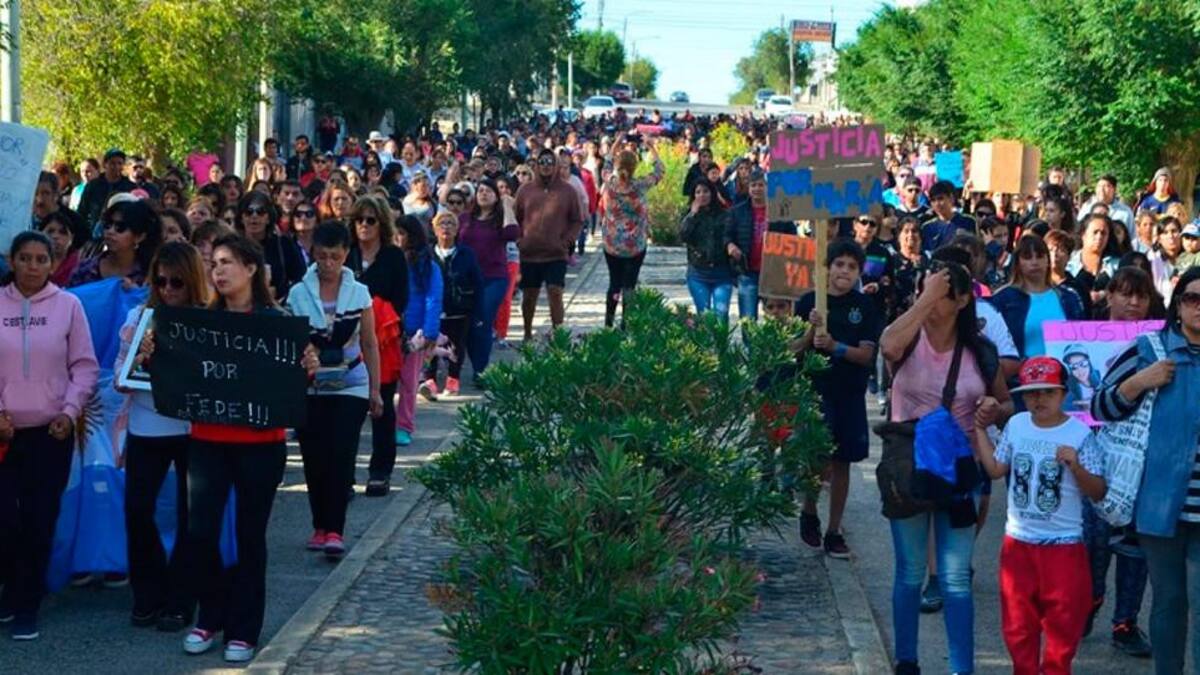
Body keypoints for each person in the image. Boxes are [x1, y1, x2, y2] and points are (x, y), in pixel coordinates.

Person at [136, 234, 319, 662]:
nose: (217, 271)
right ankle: (209, 617)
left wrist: (307, 367)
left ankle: (244, 628)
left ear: (252, 269)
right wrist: (151, 356)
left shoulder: (278, 321)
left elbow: (293, 387)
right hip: (206, 442)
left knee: (250, 537)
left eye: (227, 262)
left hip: (261, 445)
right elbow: (171, 374)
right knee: (200, 534)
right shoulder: (197, 324)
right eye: (213, 263)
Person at [879, 257, 1012, 675]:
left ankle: (961, 668)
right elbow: (887, 346)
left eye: (946, 287)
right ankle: (906, 663)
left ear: (963, 299)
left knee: (955, 579)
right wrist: (927, 297)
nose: (936, 292)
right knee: (910, 573)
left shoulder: (981, 351)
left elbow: (1008, 404)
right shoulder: (907, 336)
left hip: (961, 472)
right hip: (910, 470)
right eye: (928, 283)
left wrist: (995, 408)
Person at [1090, 265, 1200, 674]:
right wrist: (1138, 382)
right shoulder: (1150, 349)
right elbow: (1100, 407)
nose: (1199, 308)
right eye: (1192, 298)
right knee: (1169, 603)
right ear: (1178, 305)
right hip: (1159, 505)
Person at [975, 356, 1105, 675]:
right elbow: (995, 469)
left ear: (1063, 393)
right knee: (1018, 627)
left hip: (1064, 546)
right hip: (1019, 543)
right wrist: (979, 429)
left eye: (1048, 391)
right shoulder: (1018, 424)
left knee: (1063, 629)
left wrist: (1076, 466)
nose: (1039, 399)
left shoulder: (1080, 434)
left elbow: (1098, 491)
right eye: (1032, 392)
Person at [0, 232, 99, 640]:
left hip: (50, 432)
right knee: (5, 520)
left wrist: (69, 410)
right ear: (12, 261)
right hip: (4, 435)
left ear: (51, 262)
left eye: (42, 259)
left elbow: (85, 366)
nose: (33, 266)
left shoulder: (69, 306)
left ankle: (27, 603)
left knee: (40, 520)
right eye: (25, 258)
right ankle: (10, 587)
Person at [117, 242, 208, 632]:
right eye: (161, 282)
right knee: (138, 510)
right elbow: (120, 378)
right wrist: (139, 358)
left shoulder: (207, 321)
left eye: (177, 283)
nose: (168, 290)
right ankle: (147, 590)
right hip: (146, 424)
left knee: (193, 517)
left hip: (190, 428)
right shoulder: (140, 317)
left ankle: (181, 597)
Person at [287, 222, 382, 560]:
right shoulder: (299, 293)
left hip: (351, 380)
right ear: (314, 254)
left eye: (336, 257)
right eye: (323, 256)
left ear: (345, 255)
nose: (328, 264)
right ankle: (319, 522)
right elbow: (291, 342)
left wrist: (376, 389)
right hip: (312, 383)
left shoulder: (359, 292)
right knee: (314, 456)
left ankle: (335, 529)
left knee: (341, 452)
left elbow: (370, 342)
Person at [793, 239, 882, 558]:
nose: (844, 271)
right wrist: (809, 330)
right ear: (827, 267)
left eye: (852, 266)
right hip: (816, 390)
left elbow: (866, 356)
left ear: (858, 272)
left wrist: (835, 347)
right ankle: (808, 510)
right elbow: (791, 351)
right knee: (818, 457)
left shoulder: (865, 306)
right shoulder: (808, 303)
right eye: (839, 264)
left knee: (842, 461)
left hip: (850, 393)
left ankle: (834, 529)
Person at [345, 196, 409, 494]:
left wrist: (373, 311)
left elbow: (401, 298)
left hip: (383, 339)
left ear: (381, 223)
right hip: (347, 337)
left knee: (381, 407)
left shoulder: (393, 256)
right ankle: (344, 474)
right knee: (348, 412)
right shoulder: (347, 254)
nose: (364, 225)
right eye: (359, 219)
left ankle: (380, 471)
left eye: (371, 220)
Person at [514, 147, 583, 341]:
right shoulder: (525, 190)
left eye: (550, 162)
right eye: (542, 162)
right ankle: (527, 332)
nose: (546, 166)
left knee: (555, 292)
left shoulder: (567, 190)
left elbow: (577, 220)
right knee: (529, 296)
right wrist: (520, 240)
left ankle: (558, 334)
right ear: (536, 165)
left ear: (556, 165)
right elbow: (515, 218)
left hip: (556, 253)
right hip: (530, 252)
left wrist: (567, 240)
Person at [457, 178, 519, 378]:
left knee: (483, 318)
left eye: (488, 191)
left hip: (494, 277)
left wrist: (507, 206)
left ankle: (480, 370)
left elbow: (512, 233)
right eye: (480, 190)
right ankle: (476, 362)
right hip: (468, 278)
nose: (483, 194)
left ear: (496, 196)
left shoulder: (500, 219)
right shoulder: (465, 218)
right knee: (469, 323)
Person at [599, 136, 664, 328]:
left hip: (612, 244)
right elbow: (660, 171)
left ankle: (608, 323)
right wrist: (651, 147)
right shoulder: (640, 186)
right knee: (629, 286)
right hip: (635, 245)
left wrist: (616, 143)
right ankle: (626, 325)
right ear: (635, 167)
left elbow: (606, 163)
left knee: (614, 283)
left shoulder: (610, 182)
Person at [989, 235, 1086, 362]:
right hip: (1018, 379)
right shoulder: (1003, 299)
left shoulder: (1069, 297)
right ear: (1017, 263)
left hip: (1064, 377)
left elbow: (1082, 340)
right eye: (1028, 257)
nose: (1034, 262)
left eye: (1040, 256)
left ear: (1047, 261)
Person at [421, 213, 483, 399]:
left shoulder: (466, 254)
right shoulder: (427, 254)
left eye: (450, 224)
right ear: (434, 228)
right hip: (432, 310)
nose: (446, 227)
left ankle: (453, 378)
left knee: (457, 345)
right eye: (441, 223)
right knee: (429, 343)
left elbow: (477, 282)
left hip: (458, 309)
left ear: (457, 229)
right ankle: (429, 380)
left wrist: (478, 311)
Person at [394, 215, 442, 447]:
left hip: (414, 333)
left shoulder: (427, 266)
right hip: (386, 330)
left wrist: (429, 332)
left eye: (402, 233)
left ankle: (404, 425)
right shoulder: (387, 261)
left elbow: (433, 299)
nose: (397, 238)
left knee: (409, 382)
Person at [724, 169, 797, 320]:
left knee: (778, 319)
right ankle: (751, 345)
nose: (757, 189)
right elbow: (727, 235)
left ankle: (775, 345)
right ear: (748, 188)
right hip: (747, 272)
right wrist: (730, 245)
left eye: (761, 185)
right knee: (748, 320)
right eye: (753, 185)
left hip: (774, 274)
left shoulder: (780, 211)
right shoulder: (737, 211)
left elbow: (792, 236)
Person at [69, 199, 162, 288]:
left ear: (139, 237)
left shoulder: (151, 274)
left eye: (120, 228)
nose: (111, 231)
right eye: (107, 225)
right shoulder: (85, 270)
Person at [233, 191, 305, 301]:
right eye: (249, 212)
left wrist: (282, 294)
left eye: (260, 212)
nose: (254, 216)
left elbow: (300, 278)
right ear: (241, 218)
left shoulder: (284, 245)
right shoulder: (231, 246)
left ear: (268, 218)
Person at [680, 179, 733, 322]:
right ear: (693, 196)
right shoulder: (689, 215)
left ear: (712, 193)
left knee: (721, 315)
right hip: (698, 273)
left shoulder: (724, 214)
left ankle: (721, 345)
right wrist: (692, 215)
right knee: (704, 316)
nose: (702, 195)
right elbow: (683, 236)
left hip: (722, 273)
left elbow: (730, 236)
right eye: (698, 192)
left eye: (705, 191)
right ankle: (706, 345)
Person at [78, 149, 137, 229]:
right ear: (105, 164)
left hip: (119, 231)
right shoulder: (93, 185)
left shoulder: (130, 187)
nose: (116, 167)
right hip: (94, 232)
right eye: (112, 163)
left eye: (119, 163)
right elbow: (82, 211)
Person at [920, 180, 975, 252]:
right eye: (933, 200)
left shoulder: (968, 222)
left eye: (940, 199)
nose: (937, 204)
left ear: (951, 199)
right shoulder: (927, 227)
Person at [38, 211, 82, 287]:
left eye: (62, 232)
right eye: (50, 231)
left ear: (71, 238)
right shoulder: (29, 261)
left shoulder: (80, 268)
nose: (55, 236)